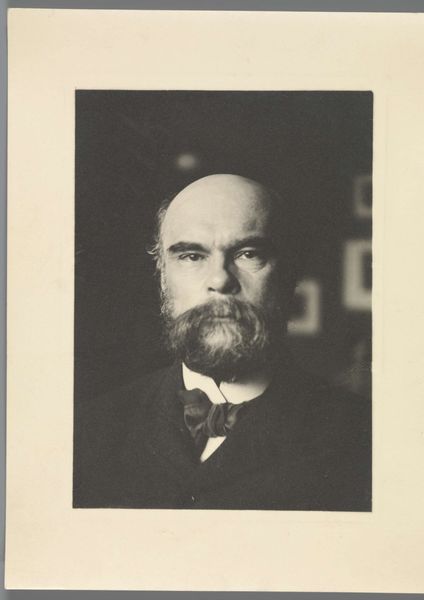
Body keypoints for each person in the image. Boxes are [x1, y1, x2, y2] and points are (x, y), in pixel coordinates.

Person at [73, 174, 371, 510]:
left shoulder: (364, 439)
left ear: (290, 274)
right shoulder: (86, 432)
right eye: (192, 256)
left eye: (249, 253)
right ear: (162, 276)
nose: (219, 280)